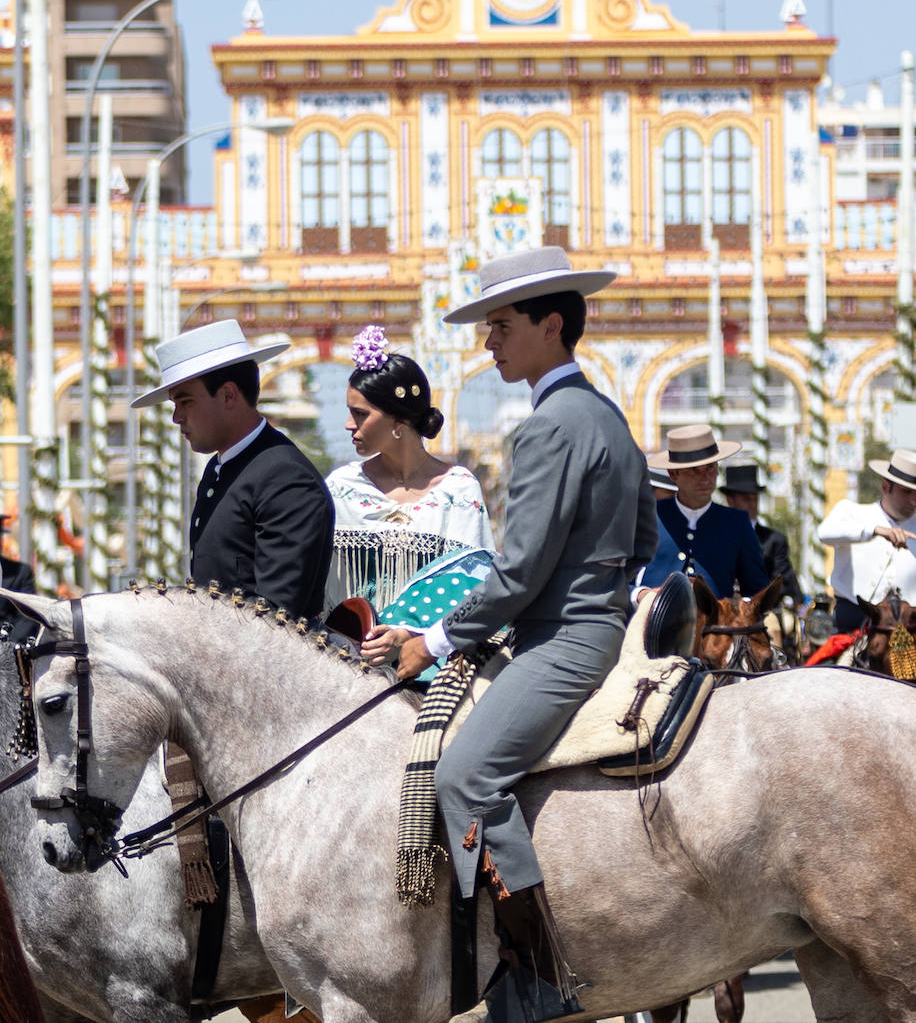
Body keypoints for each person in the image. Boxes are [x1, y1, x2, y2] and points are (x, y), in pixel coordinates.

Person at [364, 245, 657, 1023]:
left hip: (561, 639)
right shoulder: (607, 415)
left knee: (463, 776)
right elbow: (643, 534)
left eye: (501, 326)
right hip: (597, 623)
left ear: (550, 325)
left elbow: (519, 570)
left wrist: (433, 639)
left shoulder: (549, 426)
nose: (488, 342)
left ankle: (535, 977)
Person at [132, 319, 333, 621]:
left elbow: (276, 618)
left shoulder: (285, 478)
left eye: (185, 402)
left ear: (228, 395)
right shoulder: (222, 468)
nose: (176, 417)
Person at [324, 324, 495, 614]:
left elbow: (474, 586)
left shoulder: (459, 490)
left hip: (432, 641)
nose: (348, 425)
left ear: (398, 421)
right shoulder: (341, 487)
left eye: (360, 414)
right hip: (348, 641)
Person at [640, 424, 768, 599]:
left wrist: (738, 607)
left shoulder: (736, 523)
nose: (705, 478)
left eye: (710, 468)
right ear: (673, 474)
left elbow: (757, 590)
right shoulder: (647, 517)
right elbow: (619, 579)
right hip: (652, 614)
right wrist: (642, 595)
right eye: (694, 470)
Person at [816, 446, 916, 633]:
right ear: (886, 487)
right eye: (906, 492)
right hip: (850, 622)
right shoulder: (852, 512)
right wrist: (874, 530)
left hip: (906, 628)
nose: (913, 501)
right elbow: (824, 533)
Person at [722, 463, 804, 605]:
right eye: (746, 499)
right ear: (730, 500)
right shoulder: (717, 536)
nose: (752, 504)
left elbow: (784, 583)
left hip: (761, 610)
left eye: (755, 498)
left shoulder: (774, 541)